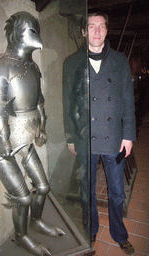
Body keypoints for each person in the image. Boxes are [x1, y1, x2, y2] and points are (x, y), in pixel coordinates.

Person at [0, 11, 64, 256]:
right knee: (23, 199)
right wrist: (2, 142)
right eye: (31, 31)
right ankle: (20, 237)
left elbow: (39, 100)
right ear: (18, 34)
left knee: (42, 187)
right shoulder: (1, 65)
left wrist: (41, 128)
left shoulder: (33, 66)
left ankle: (37, 222)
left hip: (29, 136)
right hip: (11, 139)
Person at [63, 12, 136, 255]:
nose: (96, 31)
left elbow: (128, 101)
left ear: (106, 31)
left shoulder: (120, 61)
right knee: (87, 191)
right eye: (91, 27)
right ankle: (91, 229)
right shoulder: (72, 62)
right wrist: (71, 137)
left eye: (101, 26)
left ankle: (119, 233)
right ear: (84, 32)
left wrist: (128, 136)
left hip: (115, 139)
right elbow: (68, 103)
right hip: (85, 139)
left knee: (116, 192)